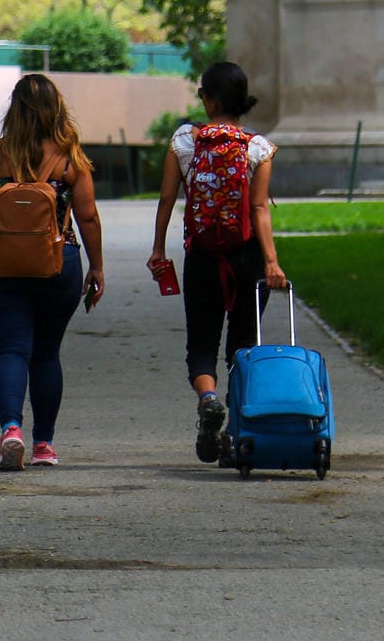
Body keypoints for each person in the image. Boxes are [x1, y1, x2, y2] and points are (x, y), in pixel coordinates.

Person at [147, 61, 286, 464]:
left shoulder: (185, 143)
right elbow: (259, 208)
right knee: (244, 345)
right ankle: (238, 431)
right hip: (247, 257)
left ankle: (208, 398)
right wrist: (272, 263)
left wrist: (159, 249)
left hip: (203, 255)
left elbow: (167, 200)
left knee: (201, 345)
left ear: (209, 99)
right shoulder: (257, 148)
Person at [0, 74, 105, 471]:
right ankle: (43, 444)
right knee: (46, 354)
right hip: (58, 264)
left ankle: (10, 430)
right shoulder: (69, 158)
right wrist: (96, 267)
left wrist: (8, 231)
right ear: (55, 109)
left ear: (15, 108)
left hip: (2, 267)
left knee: (10, 349)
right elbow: (89, 217)